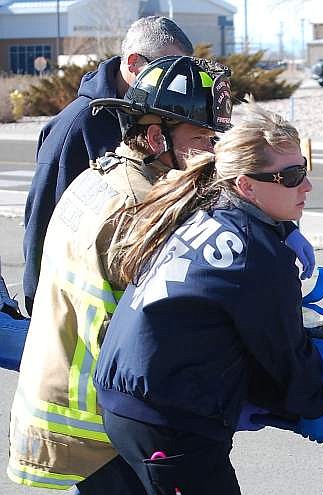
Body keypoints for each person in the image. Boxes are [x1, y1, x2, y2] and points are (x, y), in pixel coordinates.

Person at [9, 56, 233, 494]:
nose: (211, 151)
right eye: (201, 138)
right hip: (94, 427)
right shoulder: (138, 209)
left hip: (73, 409)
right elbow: (163, 329)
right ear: (154, 136)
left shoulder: (102, 174)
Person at [93, 103, 323, 495]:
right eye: (291, 176)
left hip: (129, 399)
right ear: (246, 186)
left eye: (303, 169)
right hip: (168, 423)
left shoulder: (201, 211)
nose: (306, 186)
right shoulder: (259, 256)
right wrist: (317, 405)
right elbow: (285, 355)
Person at [23, 16, 193, 315]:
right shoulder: (76, 127)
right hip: (87, 307)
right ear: (133, 63)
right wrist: (40, 306)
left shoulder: (164, 117)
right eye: (167, 70)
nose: (177, 83)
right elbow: (45, 221)